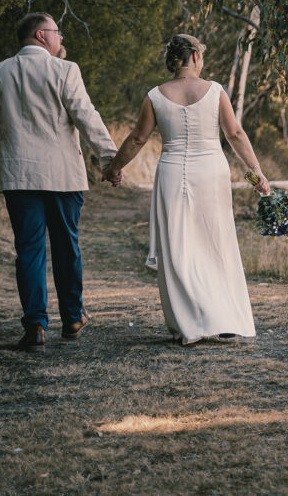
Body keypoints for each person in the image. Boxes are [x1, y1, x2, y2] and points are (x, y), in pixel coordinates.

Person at [103, 34, 269, 345]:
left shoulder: (155, 95)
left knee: (179, 246)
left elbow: (138, 138)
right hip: (211, 173)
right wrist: (255, 173)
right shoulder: (215, 91)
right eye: (201, 55)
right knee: (216, 241)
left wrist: (114, 168)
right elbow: (234, 134)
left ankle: (191, 322)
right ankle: (225, 318)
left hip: (171, 172)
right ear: (194, 55)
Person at [0, 12, 122, 352]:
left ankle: (35, 328)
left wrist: (5, 163)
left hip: (17, 175)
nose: (62, 39)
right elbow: (86, 116)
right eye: (57, 32)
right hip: (61, 175)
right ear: (42, 35)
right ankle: (72, 317)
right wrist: (110, 159)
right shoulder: (65, 70)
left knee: (28, 250)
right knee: (66, 245)